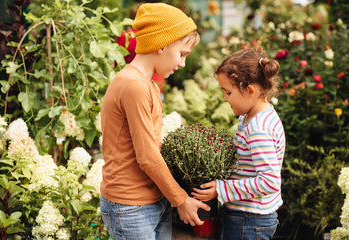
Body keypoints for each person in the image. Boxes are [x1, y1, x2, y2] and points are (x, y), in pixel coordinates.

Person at [100, 3, 210, 240]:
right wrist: (180, 199)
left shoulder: (146, 83)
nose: (182, 64)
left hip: (153, 200)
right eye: (181, 54)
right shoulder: (134, 85)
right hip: (131, 207)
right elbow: (147, 156)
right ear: (162, 44)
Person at [192, 48, 286, 240]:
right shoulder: (250, 116)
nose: (225, 98)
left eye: (228, 92)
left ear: (250, 91)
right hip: (248, 216)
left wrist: (221, 189)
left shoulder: (258, 128)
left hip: (250, 219)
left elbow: (269, 182)